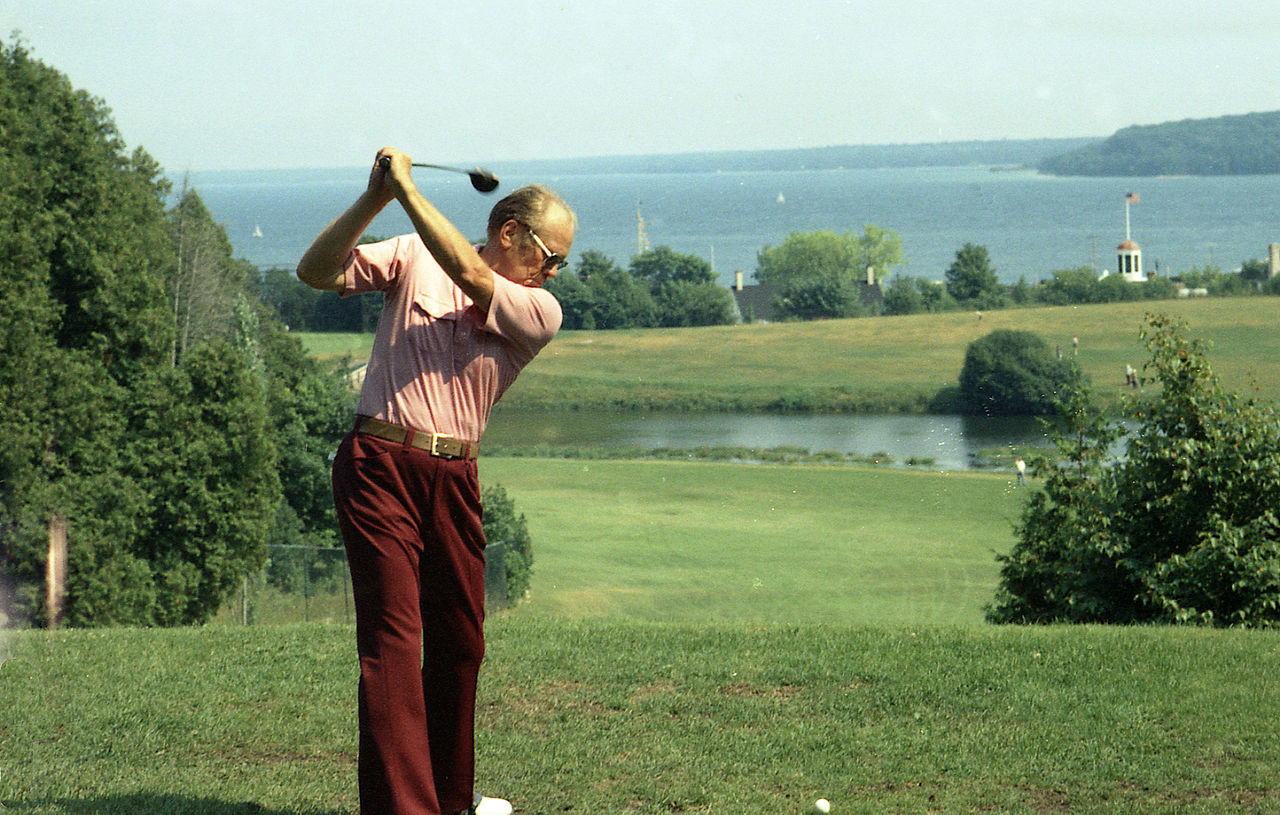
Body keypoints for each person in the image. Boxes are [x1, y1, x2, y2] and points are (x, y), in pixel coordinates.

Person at [297, 147, 575, 815]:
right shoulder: (410, 255)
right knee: (393, 639)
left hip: (454, 476)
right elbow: (314, 272)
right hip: (378, 465)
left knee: (460, 640)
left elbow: (464, 270)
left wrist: (408, 192)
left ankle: (451, 798)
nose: (556, 269)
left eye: (561, 260)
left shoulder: (539, 310)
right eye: (549, 253)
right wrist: (377, 198)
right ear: (509, 232)